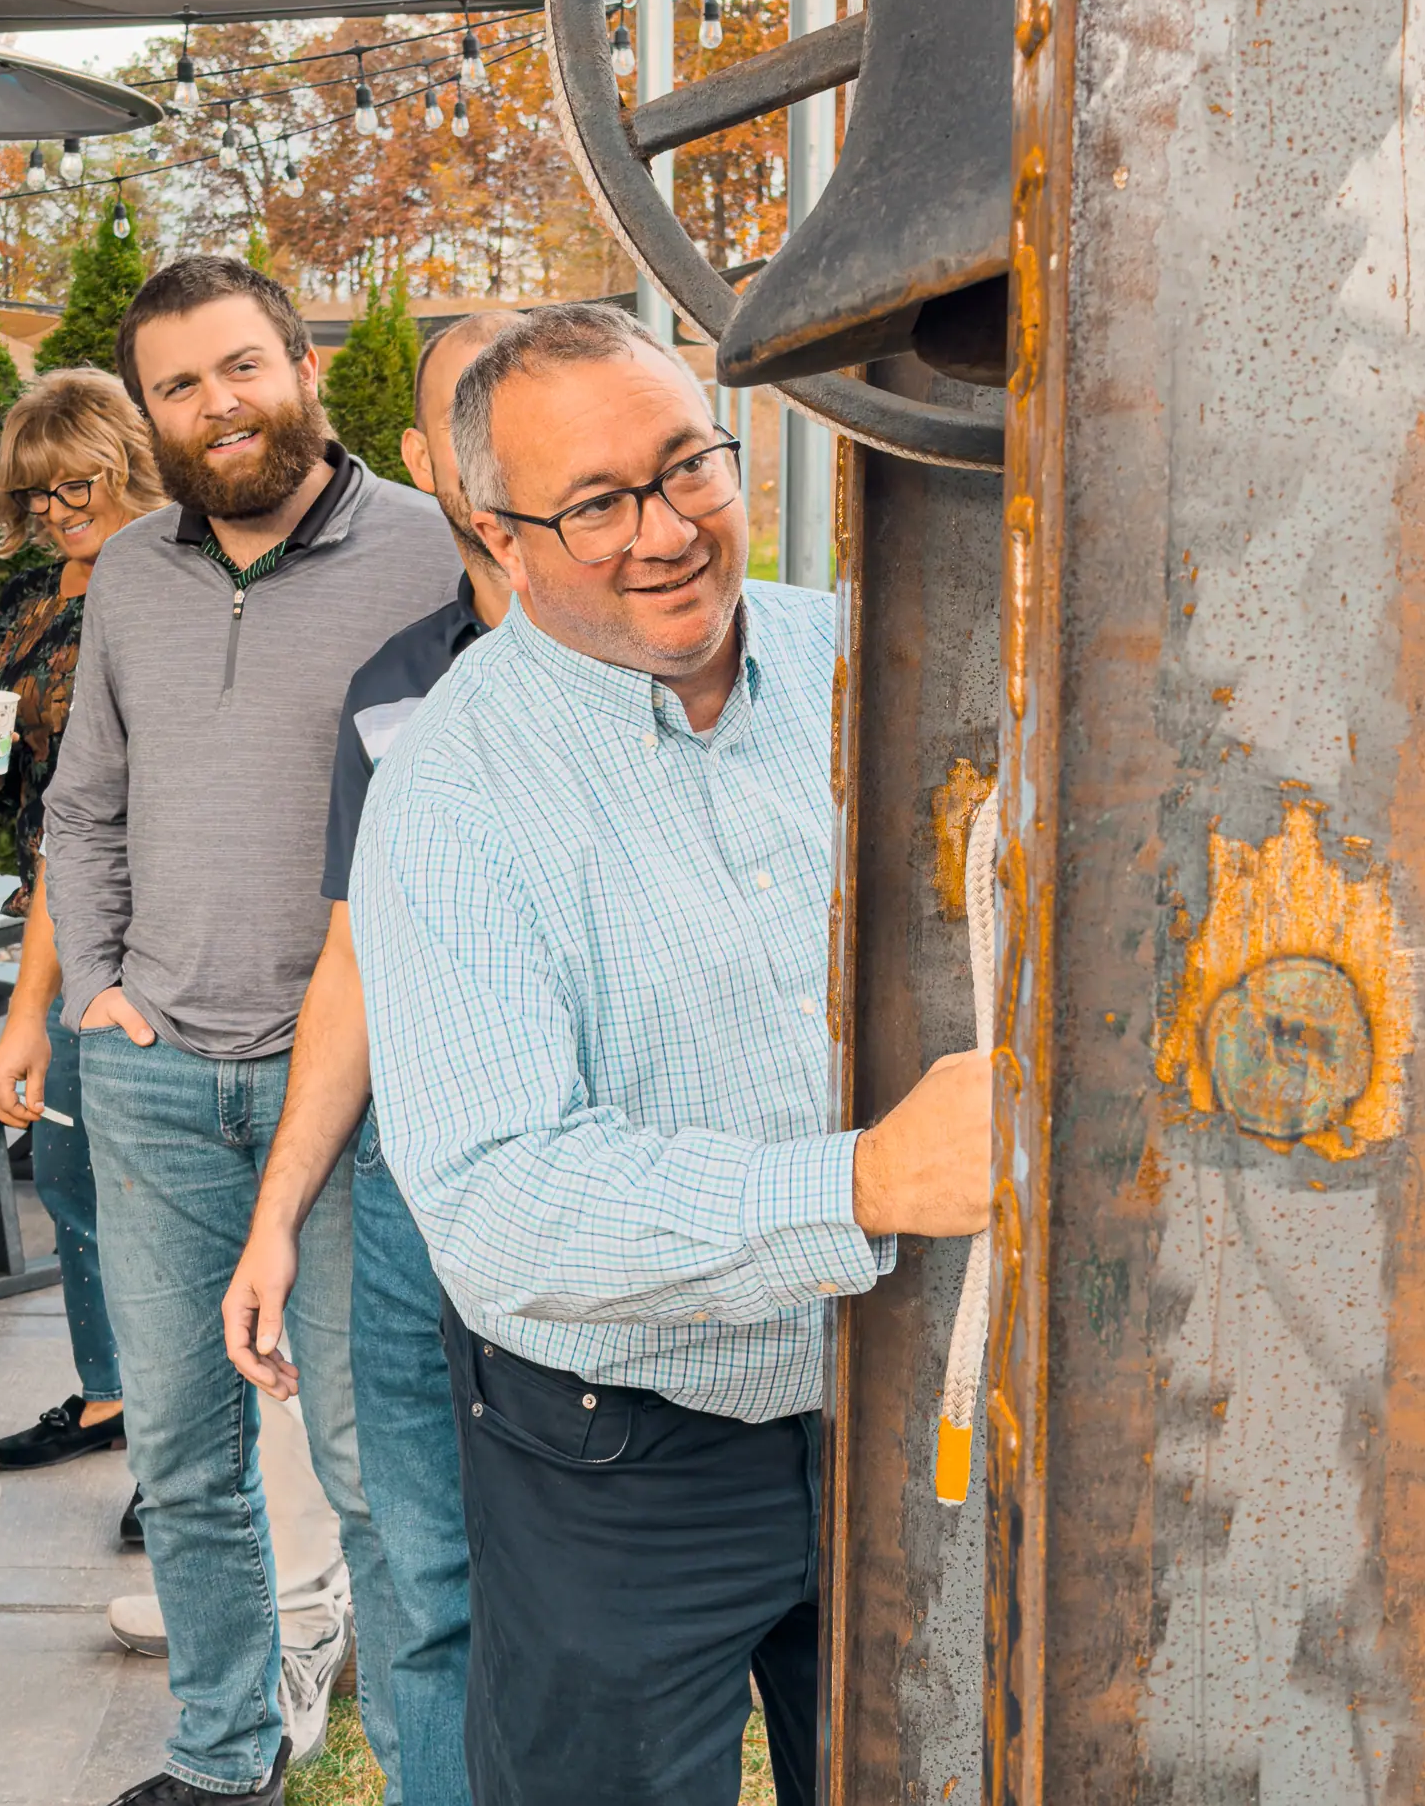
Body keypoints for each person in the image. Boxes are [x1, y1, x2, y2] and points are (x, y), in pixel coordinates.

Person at [349, 303, 992, 1806]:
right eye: (594, 503)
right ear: (499, 534)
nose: (663, 528)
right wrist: (866, 1181)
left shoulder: (867, 663)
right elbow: (501, 1203)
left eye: (687, 463)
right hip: (623, 1464)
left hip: (904, 1403)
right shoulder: (448, 791)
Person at [42, 256, 464, 1806]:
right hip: (155, 1076)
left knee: (378, 1477)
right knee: (181, 1459)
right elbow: (83, 801)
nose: (217, 404)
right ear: (146, 412)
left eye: (241, 367)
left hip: (359, 1093)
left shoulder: (434, 556)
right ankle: (223, 1759)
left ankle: (436, 1777)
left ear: (302, 364)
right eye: (179, 383)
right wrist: (98, 985)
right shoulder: (134, 579)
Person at [223, 309, 511, 1805]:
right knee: (413, 1545)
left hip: (612, 1184)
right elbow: (354, 954)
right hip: (409, 1187)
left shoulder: (693, 641)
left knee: (610, 1582)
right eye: (476, 409)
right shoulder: (399, 684)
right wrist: (277, 1216)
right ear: (424, 461)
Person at [0, 369, 162, 1527]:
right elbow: (34, 789)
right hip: (52, 918)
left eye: (78, 480)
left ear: (125, 456)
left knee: (151, 1188)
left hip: (155, 920)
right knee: (72, 1176)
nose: (61, 507)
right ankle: (113, 1396)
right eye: (37, 491)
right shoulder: (28, 601)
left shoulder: (177, 571)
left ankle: (179, 1454)